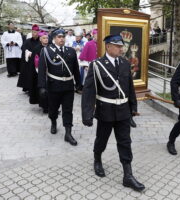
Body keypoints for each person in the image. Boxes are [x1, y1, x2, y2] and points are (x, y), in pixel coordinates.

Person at [81, 35, 145, 192]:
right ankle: (97, 159)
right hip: (105, 111)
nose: (121, 49)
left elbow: (129, 88)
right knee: (101, 139)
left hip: (123, 111)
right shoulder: (97, 65)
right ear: (108, 47)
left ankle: (128, 176)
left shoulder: (124, 63)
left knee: (125, 142)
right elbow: (88, 91)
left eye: (121, 46)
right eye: (117, 46)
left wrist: (133, 108)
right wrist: (87, 114)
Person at [38, 28, 81, 146]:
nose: (62, 39)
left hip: (68, 86)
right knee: (53, 108)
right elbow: (42, 70)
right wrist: (42, 86)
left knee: (68, 110)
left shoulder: (71, 51)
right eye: (59, 37)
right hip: (54, 85)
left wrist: (78, 83)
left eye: (63, 37)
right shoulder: (46, 51)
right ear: (54, 39)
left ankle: (68, 133)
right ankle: (53, 122)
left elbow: (76, 69)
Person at [29, 30, 49, 112]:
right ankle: (45, 107)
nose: (46, 40)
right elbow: (35, 61)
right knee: (43, 89)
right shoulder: (37, 49)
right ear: (40, 39)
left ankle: (51, 105)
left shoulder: (51, 47)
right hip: (40, 73)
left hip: (51, 72)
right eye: (44, 38)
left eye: (47, 38)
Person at [17, 24, 40, 92]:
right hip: (29, 61)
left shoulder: (40, 41)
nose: (34, 33)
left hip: (38, 61)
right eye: (33, 32)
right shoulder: (27, 41)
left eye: (35, 32)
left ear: (38, 32)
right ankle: (28, 87)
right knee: (28, 73)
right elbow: (23, 48)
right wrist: (28, 53)